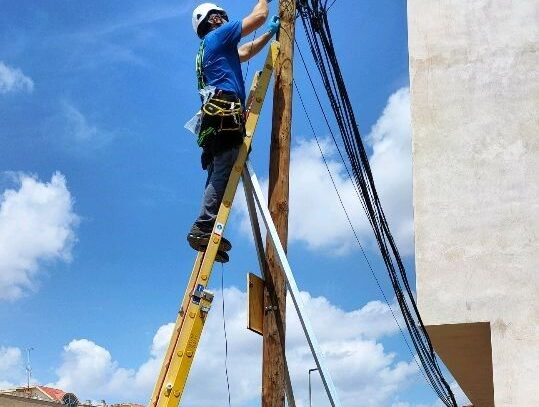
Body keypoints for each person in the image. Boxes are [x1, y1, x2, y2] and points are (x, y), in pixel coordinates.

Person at [187, 2, 280, 262]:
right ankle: (204, 226)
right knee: (224, 169)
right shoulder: (219, 35)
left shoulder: (210, 47)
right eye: (221, 15)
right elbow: (259, 16)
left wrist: (269, 34)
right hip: (223, 117)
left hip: (213, 122)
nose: (225, 19)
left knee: (218, 173)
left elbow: (245, 52)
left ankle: (207, 231)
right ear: (213, 20)